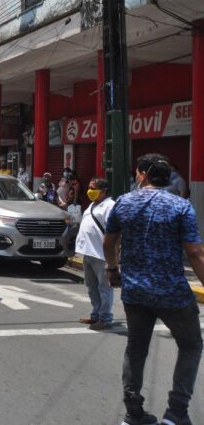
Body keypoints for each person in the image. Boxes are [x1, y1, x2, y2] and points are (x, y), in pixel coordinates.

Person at [104, 154, 204, 425]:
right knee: (192, 345)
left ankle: (133, 412)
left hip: (135, 292)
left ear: (142, 174)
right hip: (172, 292)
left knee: (136, 348)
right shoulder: (181, 206)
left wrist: (113, 270)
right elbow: (195, 252)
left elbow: (109, 242)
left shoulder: (123, 202)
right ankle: (176, 413)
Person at [75, 177, 115, 330]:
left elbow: (115, 231)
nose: (89, 191)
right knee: (91, 286)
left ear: (103, 191)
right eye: (89, 187)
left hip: (101, 254)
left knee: (104, 288)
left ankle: (105, 318)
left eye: (93, 188)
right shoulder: (93, 204)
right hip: (88, 252)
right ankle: (95, 314)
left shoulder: (110, 206)